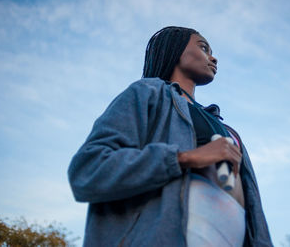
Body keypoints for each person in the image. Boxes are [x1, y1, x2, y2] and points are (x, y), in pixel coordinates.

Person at [68, 26, 273, 246]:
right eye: (203, 48)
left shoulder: (229, 130)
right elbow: (88, 169)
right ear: (175, 50)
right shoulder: (147, 93)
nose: (213, 57)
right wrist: (184, 158)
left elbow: (254, 214)